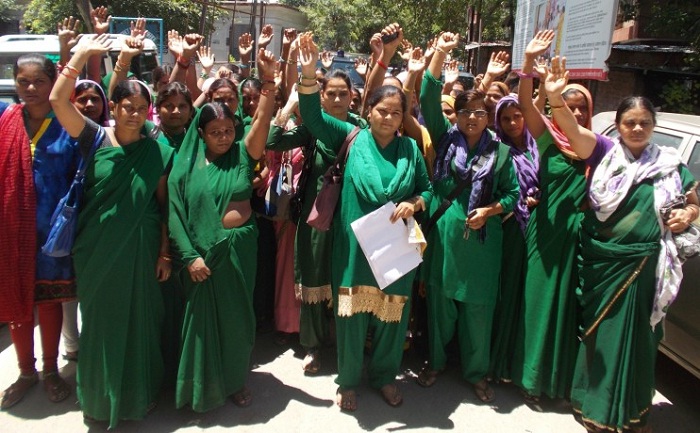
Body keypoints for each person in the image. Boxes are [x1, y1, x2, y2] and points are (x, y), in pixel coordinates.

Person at [545, 58, 698, 433]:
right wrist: (553, 95)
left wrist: (689, 215)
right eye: (630, 122)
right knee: (602, 334)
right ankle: (595, 407)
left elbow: (693, 199)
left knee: (641, 343)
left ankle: (633, 412)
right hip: (604, 263)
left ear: (653, 127)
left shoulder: (670, 164)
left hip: (647, 267)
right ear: (618, 125)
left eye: (644, 123)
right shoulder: (602, 152)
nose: (636, 128)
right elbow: (568, 126)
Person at [297, 32, 432, 411]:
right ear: (367, 110)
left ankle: (385, 377)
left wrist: (416, 203)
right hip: (355, 245)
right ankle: (348, 380)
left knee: (393, 316)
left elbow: (428, 189)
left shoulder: (409, 148)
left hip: (397, 245)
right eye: (381, 111)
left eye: (396, 112)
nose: (388, 118)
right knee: (353, 315)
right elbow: (310, 115)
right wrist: (309, 75)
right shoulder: (351, 136)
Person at [49, 34, 174, 428]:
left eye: (141, 108)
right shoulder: (92, 137)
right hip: (98, 251)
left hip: (141, 250)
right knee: (102, 325)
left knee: (141, 323)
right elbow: (57, 101)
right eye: (126, 106)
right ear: (113, 107)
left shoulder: (156, 148)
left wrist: (164, 251)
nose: (134, 114)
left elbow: (162, 204)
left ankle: (138, 395)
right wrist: (83, 53)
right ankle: (99, 400)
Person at [168, 48, 277, 412]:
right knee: (201, 324)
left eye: (228, 130)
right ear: (200, 132)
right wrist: (190, 257)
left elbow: (263, 118)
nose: (223, 138)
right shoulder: (186, 167)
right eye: (215, 132)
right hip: (200, 257)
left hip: (238, 249)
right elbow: (175, 213)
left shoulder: (245, 153)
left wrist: (269, 81)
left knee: (236, 319)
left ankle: (234, 381)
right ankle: (199, 383)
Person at [417, 32, 519, 404]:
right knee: (441, 307)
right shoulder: (443, 137)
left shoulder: (502, 152)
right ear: (456, 116)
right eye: (465, 112)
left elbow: (512, 195)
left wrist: (491, 210)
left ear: (487, 116)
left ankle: (476, 373)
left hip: (482, 242)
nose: (472, 117)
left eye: (479, 112)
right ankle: (436, 363)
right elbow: (428, 95)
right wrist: (440, 52)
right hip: (445, 236)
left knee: (478, 312)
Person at [267, 68, 367, 374]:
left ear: (352, 97)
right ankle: (311, 346)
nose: (337, 99)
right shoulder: (312, 129)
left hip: (351, 219)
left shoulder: (363, 128)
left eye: (343, 93)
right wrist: (287, 109)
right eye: (330, 93)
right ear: (320, 98)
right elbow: (272, 141)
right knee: (312, 281)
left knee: (347, 282)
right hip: (314, 217)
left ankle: (345, 344)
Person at [510, 31, 588, 403]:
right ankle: (530, 380)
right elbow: (525, 106)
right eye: (568, 106)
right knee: (539, 303)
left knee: (566, 309)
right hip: (545, 233)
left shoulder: (599, 148)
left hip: (578, 238)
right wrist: (528, 64)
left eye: (582, 109)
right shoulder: (548, 138)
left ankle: (559, 383)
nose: (574, 113)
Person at [0, 53, 77, 409]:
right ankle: (25, 371)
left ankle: (49, 371)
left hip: (52, 234)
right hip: (11, 230)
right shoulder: (6, 120)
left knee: (48, 301)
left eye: (39, 81)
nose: (30, 88)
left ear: (53, 82)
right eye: (23, 81)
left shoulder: (66, 123)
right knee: (17, 301)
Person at [488, 94, 539, 382]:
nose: (512, 123)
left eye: (517, 116)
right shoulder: (498, 151)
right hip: (510, 229)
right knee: (506, 295)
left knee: (528, 297)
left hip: (538, 231)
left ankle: (524, 362)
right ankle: (498, 362)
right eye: (505, 119)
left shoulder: (540, 146)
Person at [61, 79, 111, 364]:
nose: (90, 104)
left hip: (98, 224)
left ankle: (95, 343)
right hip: (69, 218)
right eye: (82, 99)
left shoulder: (110, 135)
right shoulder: (62, 132)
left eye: (95, 99)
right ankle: (72, 345)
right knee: (69, 288)